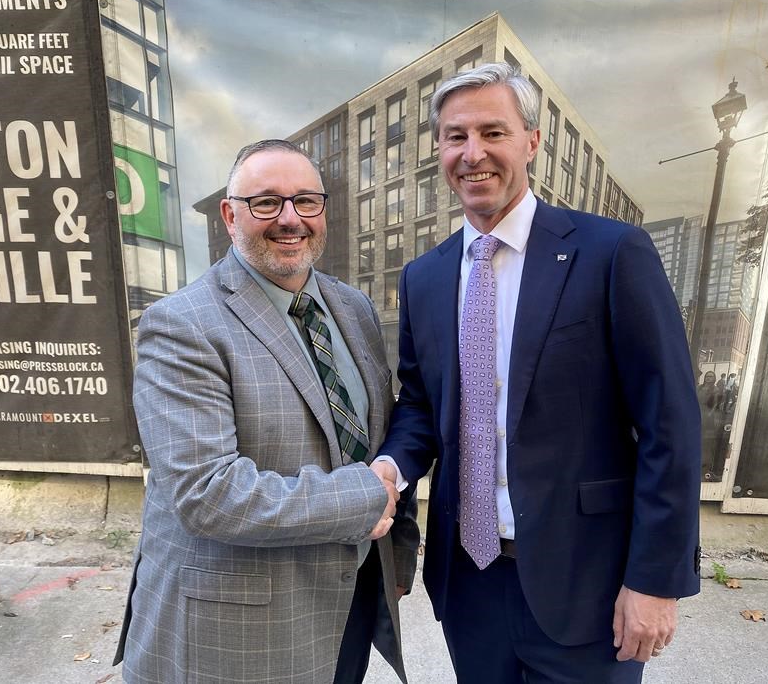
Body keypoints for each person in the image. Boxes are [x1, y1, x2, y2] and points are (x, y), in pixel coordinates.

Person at [372, 63, 701, 683]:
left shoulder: (611, 253)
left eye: (493, 133)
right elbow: (420, 405)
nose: (473, 154)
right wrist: (391, 467)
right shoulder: (426, 277)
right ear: (439, 149)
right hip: (469, 583)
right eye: (455, 136)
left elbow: (671, 424)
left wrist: (655, 580)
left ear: (532, 141)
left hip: (588, 583)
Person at [114, 139, 419, 684]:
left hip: (347, 604)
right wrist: (367, 497)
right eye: (266, 203)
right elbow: (208, 493)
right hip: (239, 626)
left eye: (305, 201)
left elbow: (380, 433)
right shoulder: (182, 324)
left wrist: (399, 543)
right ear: (230, 215)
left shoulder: (353, 308)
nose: (289, 219)